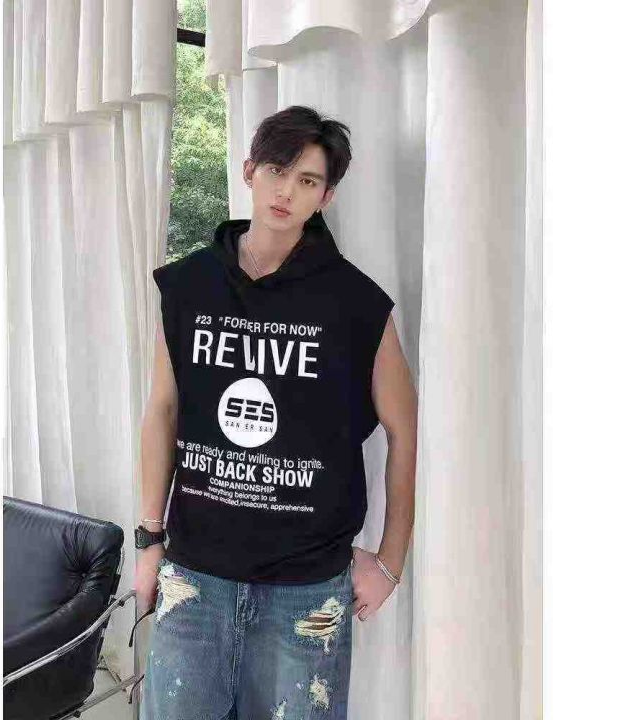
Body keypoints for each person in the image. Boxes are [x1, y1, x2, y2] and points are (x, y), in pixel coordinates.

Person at [134, 105, 417, 719]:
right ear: (249, 171)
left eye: (307, 180)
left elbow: (404, 428)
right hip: (195, 573)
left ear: (326, 196)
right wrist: (149, 540)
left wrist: (391, 562)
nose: (287, 191)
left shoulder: (355, 303)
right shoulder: (188, 287)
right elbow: (162, 409)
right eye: (276, 170)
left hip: (306, 587)